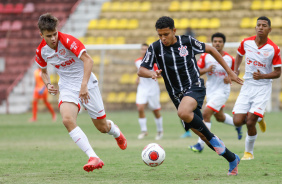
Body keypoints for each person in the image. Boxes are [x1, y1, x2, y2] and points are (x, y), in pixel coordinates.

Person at [138, 16, 243, 176]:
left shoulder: (186, 41)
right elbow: (141, 70)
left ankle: (215, 141)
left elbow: (211, 50)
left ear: (174, 31)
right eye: (160, 35)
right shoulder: (155, 48)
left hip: (195, 86)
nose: (163, 38)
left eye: (166, 34)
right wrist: (152, 72)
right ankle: (232, 158)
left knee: (184, 113)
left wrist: (230, 72)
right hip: (177, 96)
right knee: (203, 135)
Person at [35, 13, 127, 172]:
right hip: (67, 86)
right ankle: (93, 157)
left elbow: (88, 60)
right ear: (41, 34)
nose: (53, 38)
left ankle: (116, 132)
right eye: (49, 36)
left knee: (102, 127)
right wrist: (48, 83)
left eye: (55, 34)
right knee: (67, 120)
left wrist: (83, 85)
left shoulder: (68, 41)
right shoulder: (41, 51)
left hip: (87, 84)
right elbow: (43, 71)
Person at [233, 16, 281, 160]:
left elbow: (278, 73)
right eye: (258, 25)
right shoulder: (246, 42)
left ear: (269, 29)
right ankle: (260, 118)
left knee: (250, 122)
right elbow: (239, 55)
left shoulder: (274, 49)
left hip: (263, 87)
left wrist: (263, 76)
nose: (260, 27)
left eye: (264, 25)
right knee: (237, 121)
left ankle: (249, 152)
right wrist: (236, 70)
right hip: (247, 86)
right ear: (255, 27)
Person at [189, 33, 243, 153]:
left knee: (206, 114)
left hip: (223, 92)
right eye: (215, 41)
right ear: (212, 43)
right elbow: (196, 72)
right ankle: (237, 124)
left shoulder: (229, 59)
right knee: (219, 117)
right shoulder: (205, 57)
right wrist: (206, 70)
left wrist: (229, 77)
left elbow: (235, 73)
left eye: (220, 41)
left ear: (223, 43)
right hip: (211, 91)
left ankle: (200, 144)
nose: (217, 43)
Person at [135, 43, 163, 140]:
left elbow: (159, 75)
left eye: (145, 49)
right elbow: (140, 72)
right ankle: (144, 131)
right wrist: (138, 79)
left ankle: (160, 131)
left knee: (155, 111)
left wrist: (154, 75)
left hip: (153, 89)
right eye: (142, 49)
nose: (144, 51)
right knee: (140, 108)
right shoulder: (137, 61)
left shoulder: (153, 62)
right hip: (142, 88)